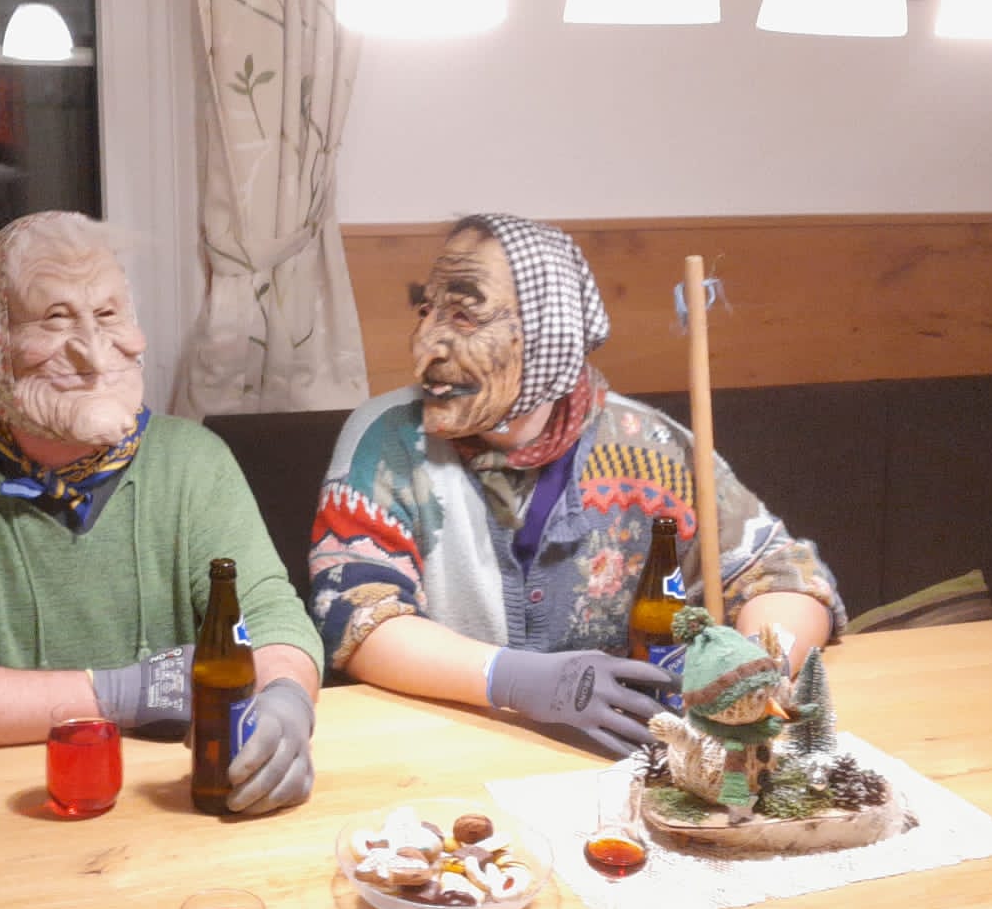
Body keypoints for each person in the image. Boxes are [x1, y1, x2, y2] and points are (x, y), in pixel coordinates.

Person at [0, 211, 323, 814]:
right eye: (54, 319)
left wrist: (285, 696)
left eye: (110, 314)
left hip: (169, 803)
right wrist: (124, 693)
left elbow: (271, 616)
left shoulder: (194, 462)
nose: (93, 352)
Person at [309, 213, 844, 758]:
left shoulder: (650, 445)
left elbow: (786, 576)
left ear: (552, 334)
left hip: (630, 754)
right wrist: (509, 678)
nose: (426, 346)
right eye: (426, 311)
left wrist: (755, 666)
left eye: (464, 317)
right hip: (451, 747)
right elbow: (356, 613)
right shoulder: (389, 441)